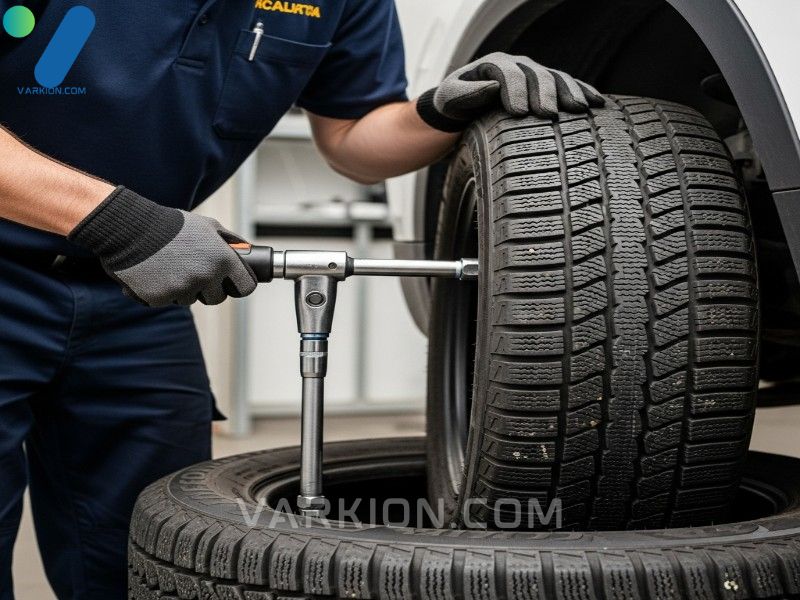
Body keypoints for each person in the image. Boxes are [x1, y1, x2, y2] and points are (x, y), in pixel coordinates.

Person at [0, 1, 602, 597]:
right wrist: (121, 224)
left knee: (149, 556)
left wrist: (436, 113)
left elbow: (352, 137)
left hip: (135, 292)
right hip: (66, 254)